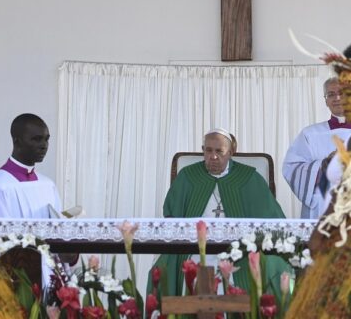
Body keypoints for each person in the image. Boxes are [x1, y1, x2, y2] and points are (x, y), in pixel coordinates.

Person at [148, 128, 287, 297]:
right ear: (203, 150)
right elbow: (171, 215)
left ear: (231, 152)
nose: (213, 156)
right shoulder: (188, 176)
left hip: (240, 249)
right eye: (208, 150)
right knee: (163, 269)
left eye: (219, 151)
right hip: (194, 248)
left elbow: (272, 219)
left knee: (277, 266)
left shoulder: (249, 178)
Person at [282, 77, 351, 219]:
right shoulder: (310, 133)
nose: (337, 98)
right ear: (326, 101)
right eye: (331, 94)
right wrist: (325, 164)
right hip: (322, 204)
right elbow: (292, 167)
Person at [0, 113, 61, 217]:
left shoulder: (48, 185)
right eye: (37, 139)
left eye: (46, 139)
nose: (44, 145)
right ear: (17, 141)